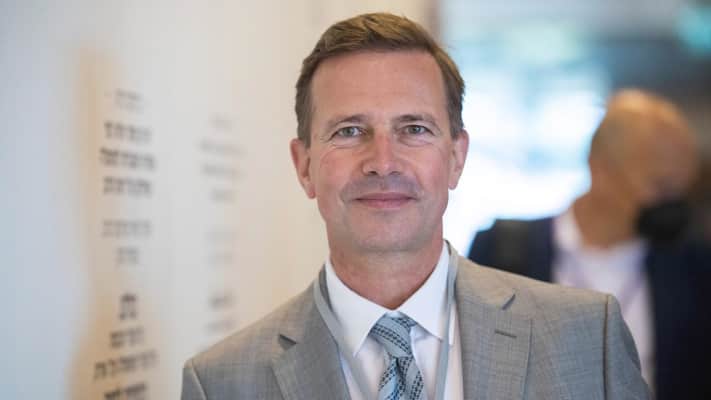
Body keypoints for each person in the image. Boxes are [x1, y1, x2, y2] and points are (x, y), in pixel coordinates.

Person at [182, 13, 650, 399]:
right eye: (349, 131)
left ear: (456, 158)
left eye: (414, 129)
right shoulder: (222, 384)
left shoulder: (588, 340)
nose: (383, 162)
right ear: (304, 166)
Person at [469, 89, 711, 399]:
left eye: (681, 188)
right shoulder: (503, 251)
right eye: (660, 185)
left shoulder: (693, 268)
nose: (673, 202)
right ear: (602, 170)